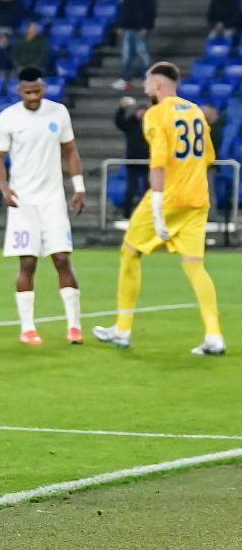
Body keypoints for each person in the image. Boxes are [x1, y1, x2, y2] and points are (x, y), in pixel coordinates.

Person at [95, 63, 225, 356]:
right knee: (194, 265)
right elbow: (208, 156)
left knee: (129, 253)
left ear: (157, 85)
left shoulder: (156, 114)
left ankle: (123, 329)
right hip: (197, 199)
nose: (143, 84)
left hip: (167, 198)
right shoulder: (195, 111)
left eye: (146, 80)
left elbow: (159, 162)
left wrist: (157, 207)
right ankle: (214, 335)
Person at [0, 67, 85, 346]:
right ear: (20, 91)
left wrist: (78, 187)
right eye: (28, 92)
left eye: (38, 91)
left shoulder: (58, 113)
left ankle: (74, 326)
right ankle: (28, 328)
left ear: (43, 87)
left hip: (53, 200)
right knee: (28, 262)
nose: (34, 96)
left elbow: (70, 151)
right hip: (23, 202)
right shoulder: (8, 118)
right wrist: (4, 188)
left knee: (62, 259)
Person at [113, 0, 155, 91]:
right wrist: (121, 26)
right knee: (126, 56)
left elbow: (150, 12)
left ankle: (147, 79)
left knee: (143, 54)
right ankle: (125, 78)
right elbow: (125, 11)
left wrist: (146, 27)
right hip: (129, 29)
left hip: (140, 29)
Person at [115, 96, 150, 215]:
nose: (141, 113)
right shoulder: (130, 123)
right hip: (132, 161)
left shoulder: (152, 124)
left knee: (147, 189)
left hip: (148, 162)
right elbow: (119, 123)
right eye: (139, 110)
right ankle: (127, 214)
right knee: (130, 189)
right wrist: (122, 108)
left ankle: (148, 214)